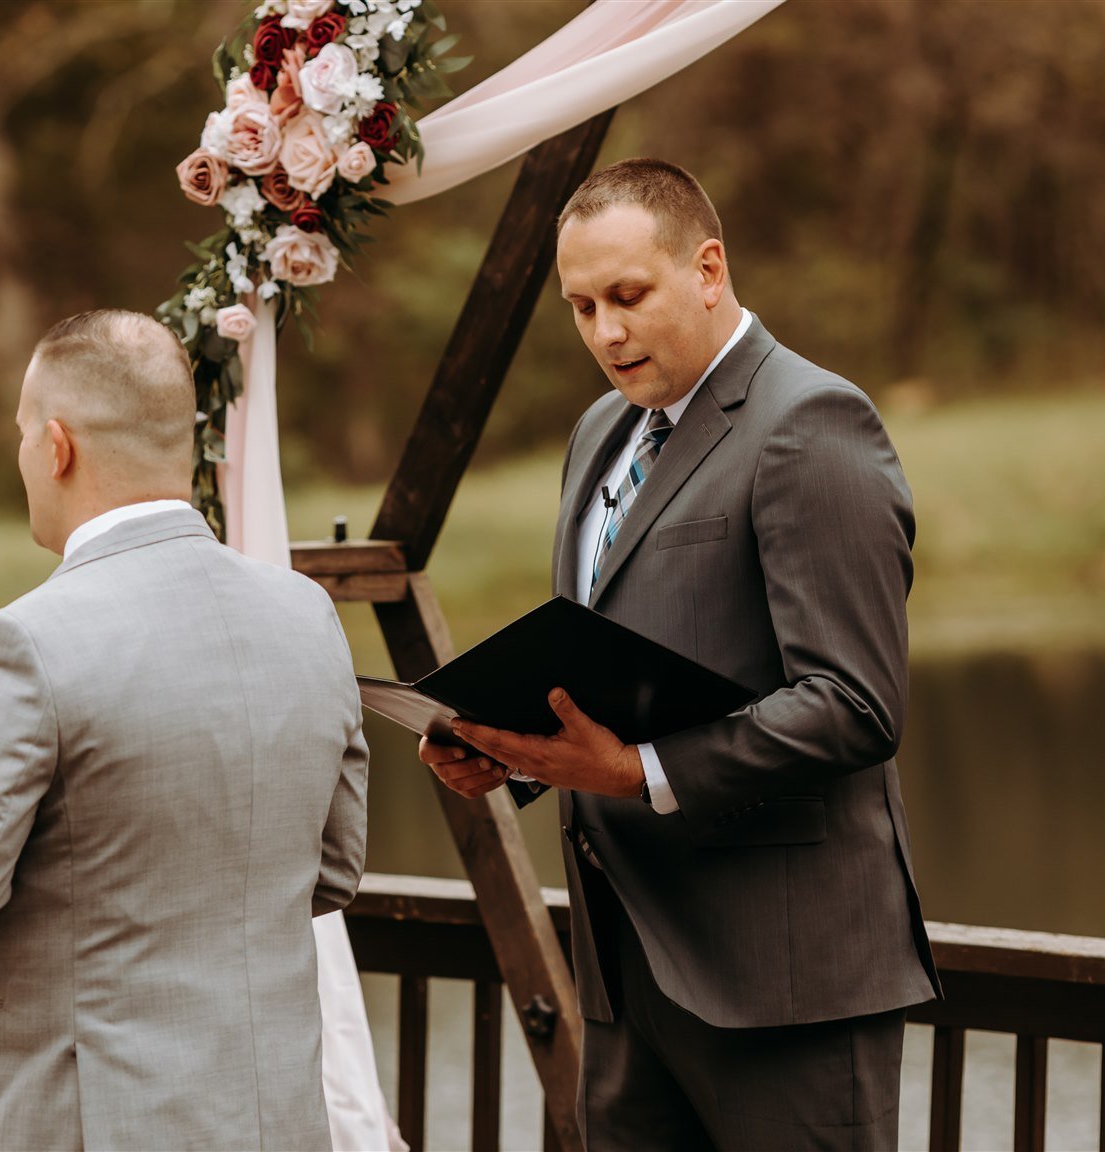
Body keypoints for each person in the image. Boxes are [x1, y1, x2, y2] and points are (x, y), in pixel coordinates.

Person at [421, 159, 940, 1150]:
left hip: (782, 988)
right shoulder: (595, 435)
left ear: (706, 269)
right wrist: (508, 746)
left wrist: (643, 771)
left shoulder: (812, 424)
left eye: (626, 296)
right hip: (622, 976)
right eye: (579, 307)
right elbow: (597, 666)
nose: (603, 333)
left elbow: (852, 703)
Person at [0, 309, 370, 1151]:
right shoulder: (306, 614)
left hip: (87, 1118)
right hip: (274, 1114)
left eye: (25, 434)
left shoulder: (24, 644)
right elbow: (335, 866)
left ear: (58, 446)